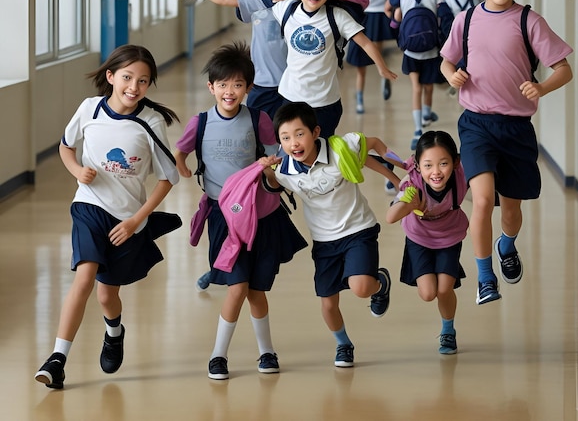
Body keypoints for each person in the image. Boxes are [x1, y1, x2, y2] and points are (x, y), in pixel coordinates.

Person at [34, 45, 182, 390]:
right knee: (84, 278)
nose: (134, 86)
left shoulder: (151, 121)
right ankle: (57, 359)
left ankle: (114, 332)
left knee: (105, 296)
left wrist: (136, 221)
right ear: (111, 76)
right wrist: (75, 170)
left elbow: (168, 178)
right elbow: (65, 145)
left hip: (127, 219)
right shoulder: (90, 109)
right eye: (128, 77)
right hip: (88, 206)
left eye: (143, 81)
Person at [440, 0, 573, 305]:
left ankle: (507, 245)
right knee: (481, 200)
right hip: (476, 124)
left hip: (516, 128)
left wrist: (541, 87)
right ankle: (485, 277)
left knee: (511, 209)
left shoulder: (530, 21)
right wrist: (451, 75)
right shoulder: (465, 20)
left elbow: (564, 69)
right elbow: (447, 60)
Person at [174, 42, 307, 379]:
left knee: (256, 291)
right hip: (223, 216)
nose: (229, 91)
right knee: (237, 288)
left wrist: (269, 170)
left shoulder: (258, 119)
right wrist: (182, 166)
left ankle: (267, 353)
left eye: (237, 85)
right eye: (222, 84)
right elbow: (182, 149)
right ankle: (218, 356)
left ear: (249, 87)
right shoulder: (201, 122)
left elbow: (278, 153)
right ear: (211, 87)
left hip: (261, 215)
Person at [260, 102, 401, 368]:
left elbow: (372, 147)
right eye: (285, 138)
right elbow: (271, 185)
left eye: (299, 134)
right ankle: (343, 344)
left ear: (315, 132)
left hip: (358, 229)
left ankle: (379, 284)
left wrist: (396, 176)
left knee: (361, 288)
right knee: (327, 304)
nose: (294, 143)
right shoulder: (283, 169)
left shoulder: (340, 148)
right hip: (324, 242)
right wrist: (265, 169)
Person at [272, 0, 397, 138]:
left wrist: (382, 68)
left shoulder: (337, 16)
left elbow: (365, 43)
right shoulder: (285, 9)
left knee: (322, 153)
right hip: (291, 97)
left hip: (324, 101)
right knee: (292, 151)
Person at [175, 0, 294, 119]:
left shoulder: (300, 3)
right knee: (259, 133)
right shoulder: (258, 1)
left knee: (290, 133)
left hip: (293, 83)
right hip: (264, 84)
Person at [386, 131, 469, 355]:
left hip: (450, 236)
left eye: (443, 164)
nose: (436, 172)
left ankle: (448, 331)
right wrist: (406, 202)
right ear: (419, 167)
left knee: (444, 290)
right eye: (428, 165)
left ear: (455, 162)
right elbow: (390, 217)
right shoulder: (412, 185)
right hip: (419, 238)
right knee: (427, 293)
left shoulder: (462, 176)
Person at [387, 0, 443, 150]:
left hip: (410, 48)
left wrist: (395, 26)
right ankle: (427, 115)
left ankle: (418, 129)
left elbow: (392, 10)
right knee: (428, 86)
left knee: (416, 87)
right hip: (431, 47)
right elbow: (442, 15)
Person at [347, 0, 399, 113]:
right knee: (362, 56)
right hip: (366, 15)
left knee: (379, 52)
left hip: (380, 15)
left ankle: (384, 77)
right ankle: (360, 97)